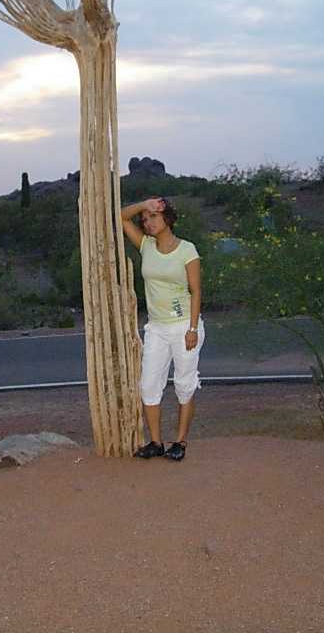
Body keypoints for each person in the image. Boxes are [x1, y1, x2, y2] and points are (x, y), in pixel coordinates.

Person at [120, 196, 204, 461]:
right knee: (148, 385)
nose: (147, 222)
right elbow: (121, 216)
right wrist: (144, 204)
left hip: (183, 326)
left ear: (167, 218)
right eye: (144, 220)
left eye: (153, 217)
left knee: (184, 383)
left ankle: (179, 442)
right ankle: (155, 442)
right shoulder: (146, 246)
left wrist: (192, 329)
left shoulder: (186, 249)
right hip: (156, 327)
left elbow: (196, 290)